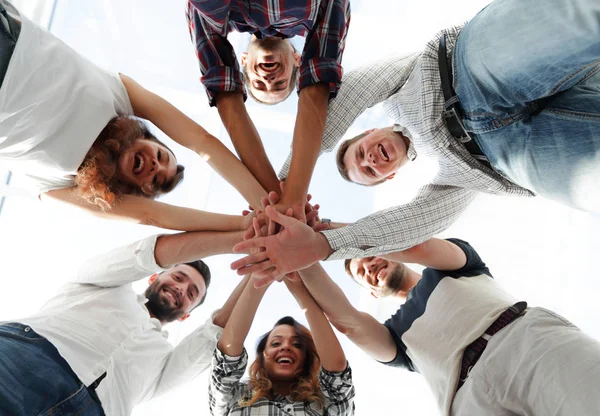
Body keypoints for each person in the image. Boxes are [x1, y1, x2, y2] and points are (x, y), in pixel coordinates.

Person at [277, 0, 600, 260]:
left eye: (361, 153)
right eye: (370, 171)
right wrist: (329, 244)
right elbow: (417, 223)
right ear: (389, 177)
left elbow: (351, 94)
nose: (370, 160)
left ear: (370, 131)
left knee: (580, 20)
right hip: (510, 158)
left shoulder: (395, 93)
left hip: (471, 72)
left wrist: (289, 181)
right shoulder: (449, 179)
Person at [238, 214, 600, 416]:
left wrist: (329, 235)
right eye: (358, 272)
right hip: (468, 410)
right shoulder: (397, 336)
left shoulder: (458, 266)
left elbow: (420, 247)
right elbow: (347, 320)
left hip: (522, 346)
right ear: (370, 291)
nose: (366, 265)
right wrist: (294, 257)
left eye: (367, 255)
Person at [0, 0, 266, 231]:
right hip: (10, 36)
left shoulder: (62, 186)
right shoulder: (121, 97)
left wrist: (245, 224)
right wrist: (266, 204)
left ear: (131, 191)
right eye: (162, 156)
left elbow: (152, 216)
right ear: (147, 137)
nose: (155, 167)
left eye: (156, 180)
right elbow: (202, 141)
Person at [0, 227, 251, 416]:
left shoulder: (165, 362)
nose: (181, 288)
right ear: (155, 275)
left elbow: (213, 335)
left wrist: (257, 271)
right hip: (26, 360)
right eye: (178, 276)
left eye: (192, 293)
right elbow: (143, 256)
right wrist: (244, 236)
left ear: (186, 315)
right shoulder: (105, 284)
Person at [186, 0, 351, 220]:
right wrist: (291, 202)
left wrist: (275, 205)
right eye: (280, 84)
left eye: (259, 84)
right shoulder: (316, 13)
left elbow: (226, 96)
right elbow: (317, 84)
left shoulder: (218, 17)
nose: (269, 80)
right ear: (297, 60)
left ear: (243, 61)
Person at [210, 221, 354, 416]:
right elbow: (227, 356)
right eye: (276, 343)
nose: (286, 346)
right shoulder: (237, 397)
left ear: (308, 356)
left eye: (297, 344)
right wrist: (260, 276)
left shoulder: (326, 402)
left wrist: (295, 280)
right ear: (262, 355)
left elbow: (336, 368)